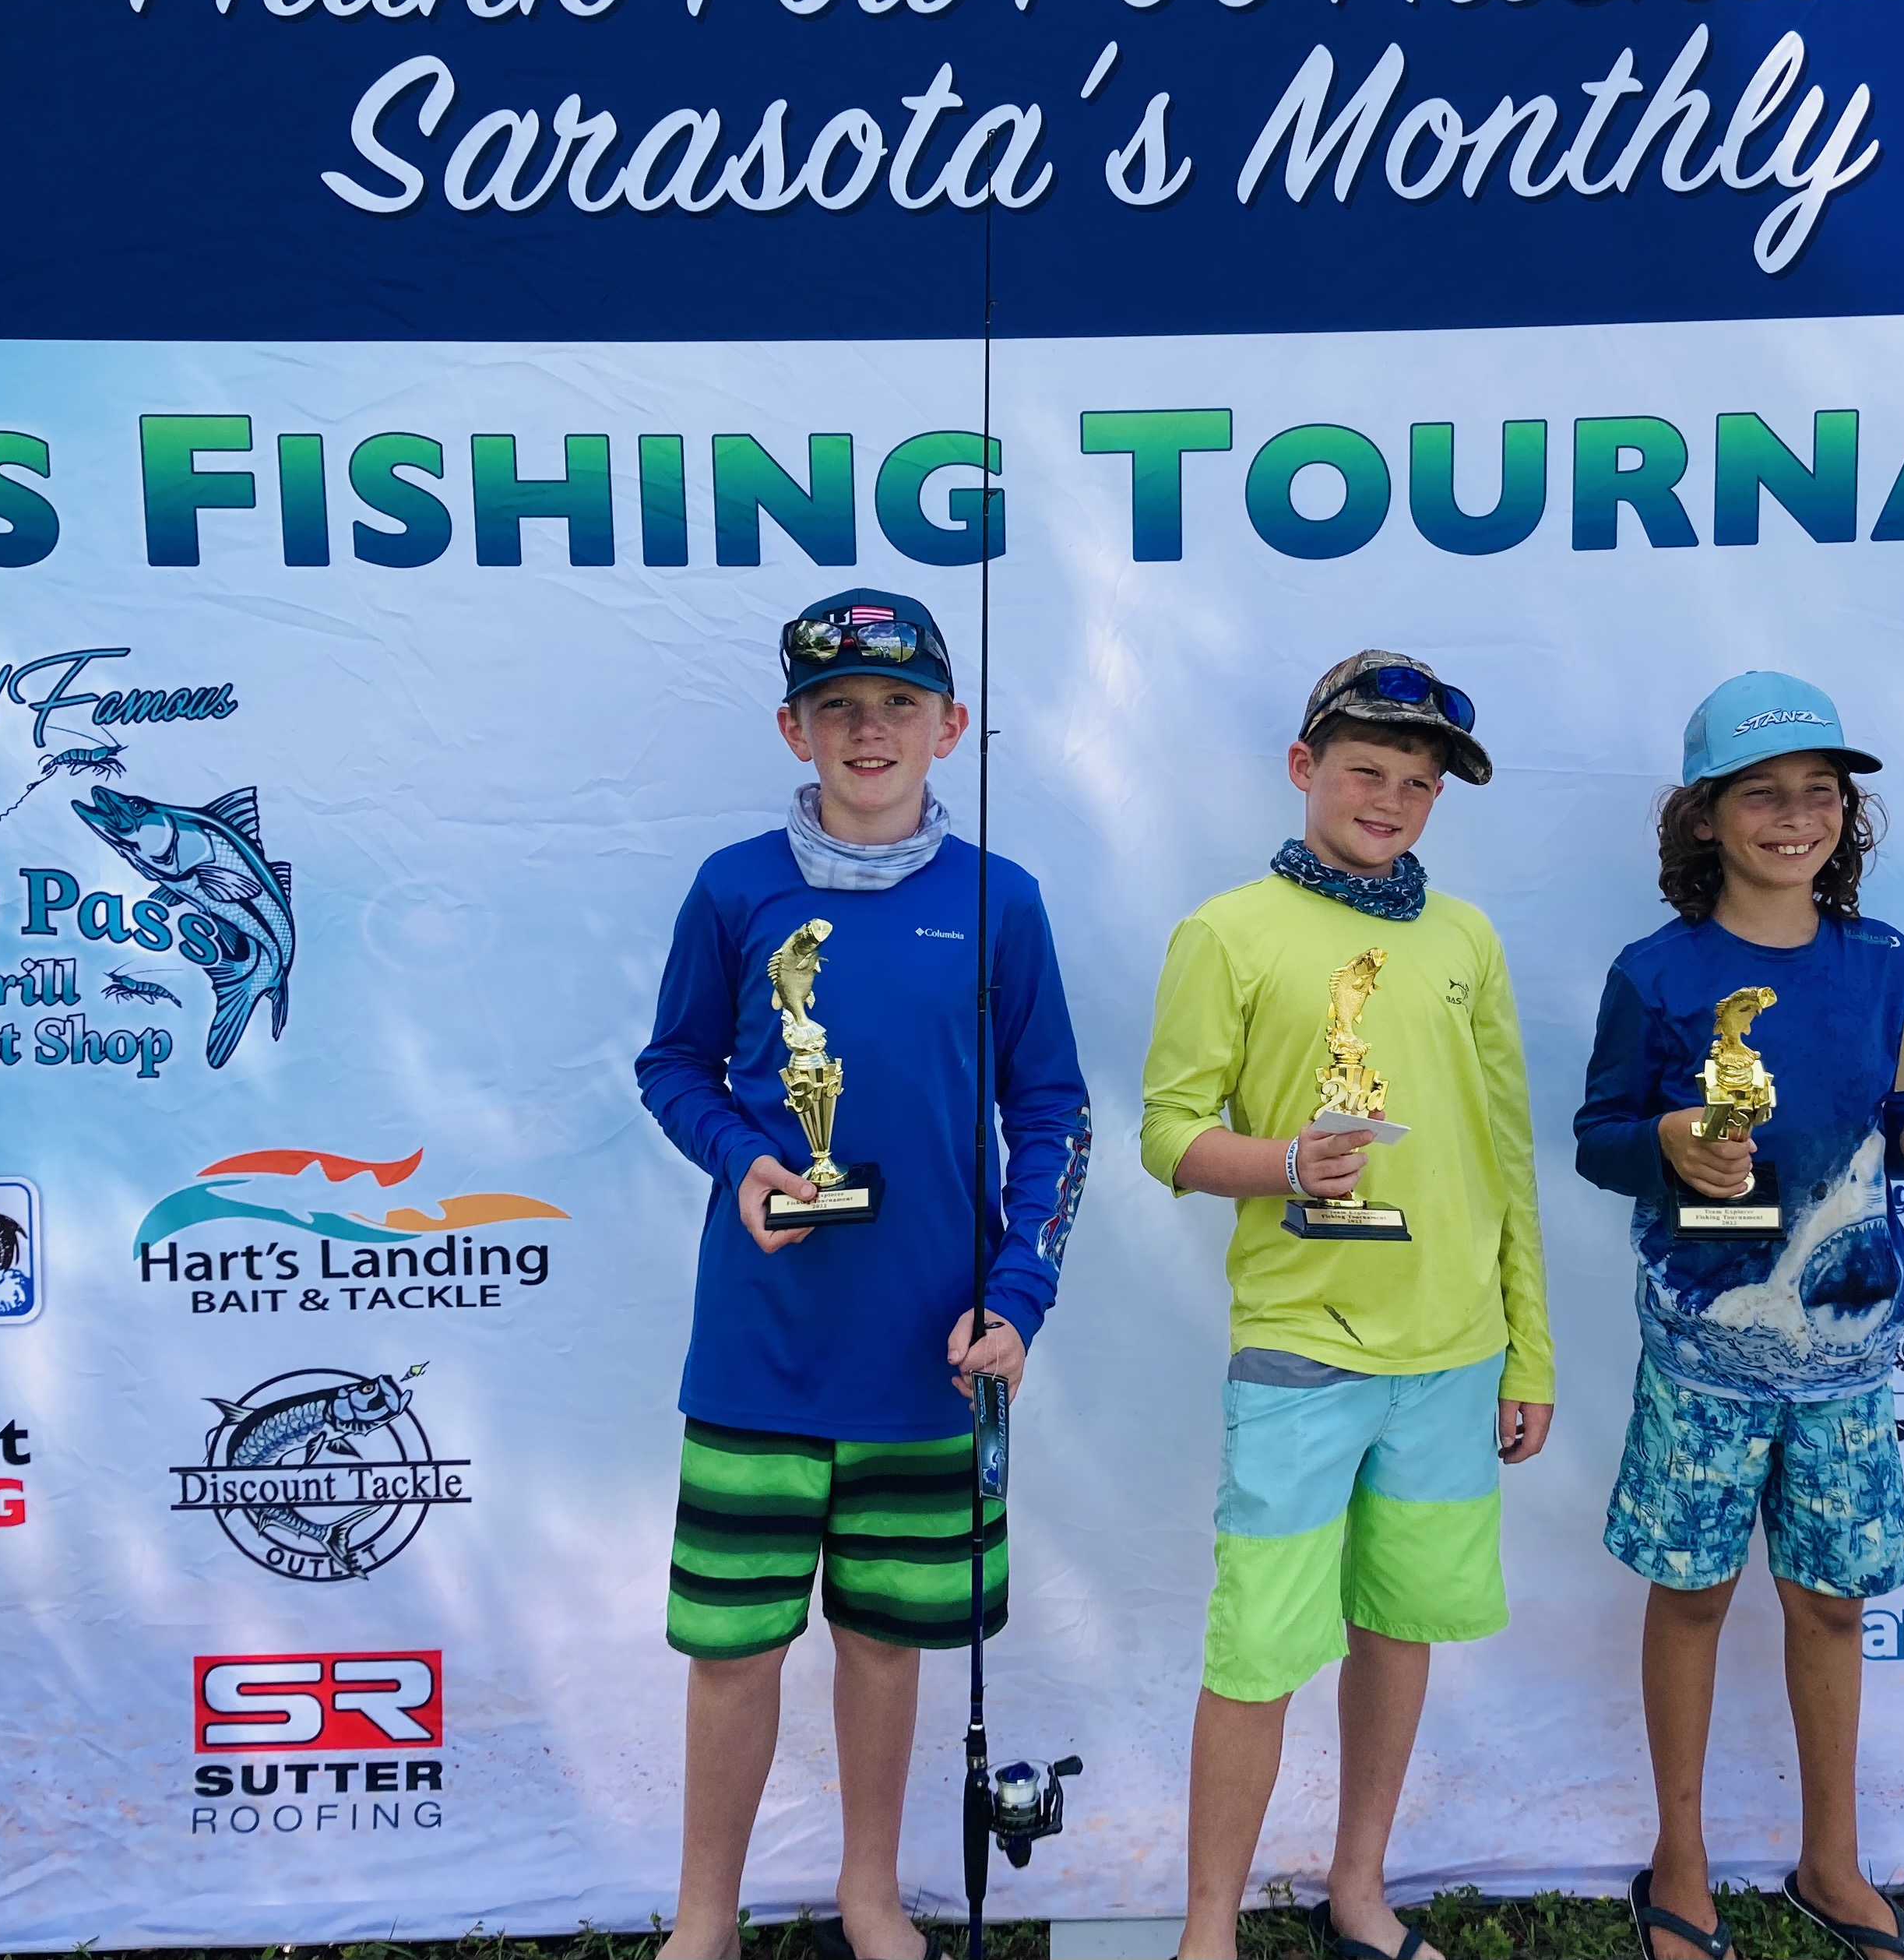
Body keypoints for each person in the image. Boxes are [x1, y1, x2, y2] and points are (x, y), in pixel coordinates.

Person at [636, 589, 1090, 1960]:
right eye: (837, 706)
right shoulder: (733, 888)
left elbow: (1053, 1113)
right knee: (733, 1650)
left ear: (952, 724)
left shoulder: (1001, 899)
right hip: (759, 1354)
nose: (869, 728)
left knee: (886, 1646)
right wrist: (742, 1158)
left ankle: (870, 1896)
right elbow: (673, 1065)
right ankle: (703, 1920)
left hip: (928, 1359)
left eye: (899, 702)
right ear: (795, 728)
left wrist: (1017, 1296)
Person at [1139, 650, 1556, 1960]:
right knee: (1257, 1647)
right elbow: (1167, 1133)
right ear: (1301, 766)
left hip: (1454, 1356)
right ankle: (1207, 1929)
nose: (1389, 799)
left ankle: (1359, 1888)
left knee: (1398, 1625)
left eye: (1417, 784)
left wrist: (1527, 1351)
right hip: (1301, 1348)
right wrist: (1283, 1163)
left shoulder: (1465, 938)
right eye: (1365, 770)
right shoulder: (1225, 930)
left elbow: (1504, 1154)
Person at [1574, 673, 1904, 1960]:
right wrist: (1667, 1140)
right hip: (1701, 1353)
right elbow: (1597, 1137)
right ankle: (1680, 1861)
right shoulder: (1654, 971)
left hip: (1848, 1361)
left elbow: (1899, 1136)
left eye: (1819, 791)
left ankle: (1830, 1862)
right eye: (1761, 793)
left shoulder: (1886, 961)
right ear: (1703, 816)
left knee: (1832, 1604)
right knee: (1692, 1596)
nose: (1795, 815)